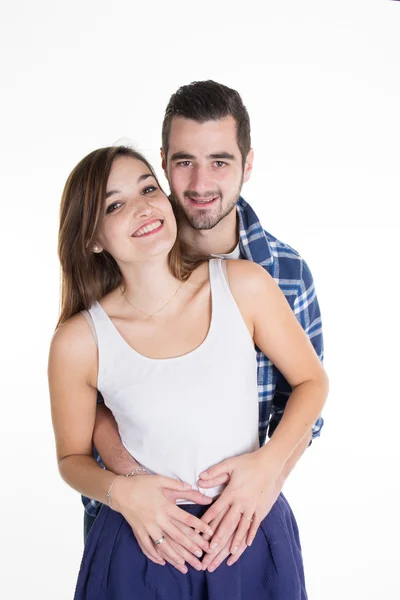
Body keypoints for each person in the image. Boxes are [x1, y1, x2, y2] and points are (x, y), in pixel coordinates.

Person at [49, 144, 328, 599]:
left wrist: (268, 464)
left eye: (148, 188)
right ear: (92, 238)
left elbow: (312, 381)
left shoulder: (243, 283)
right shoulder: (78, 342)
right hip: (144, 544)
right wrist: (122, 494)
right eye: (114, 204)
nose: (142, 208)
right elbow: (71, 460)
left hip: (246, 533)